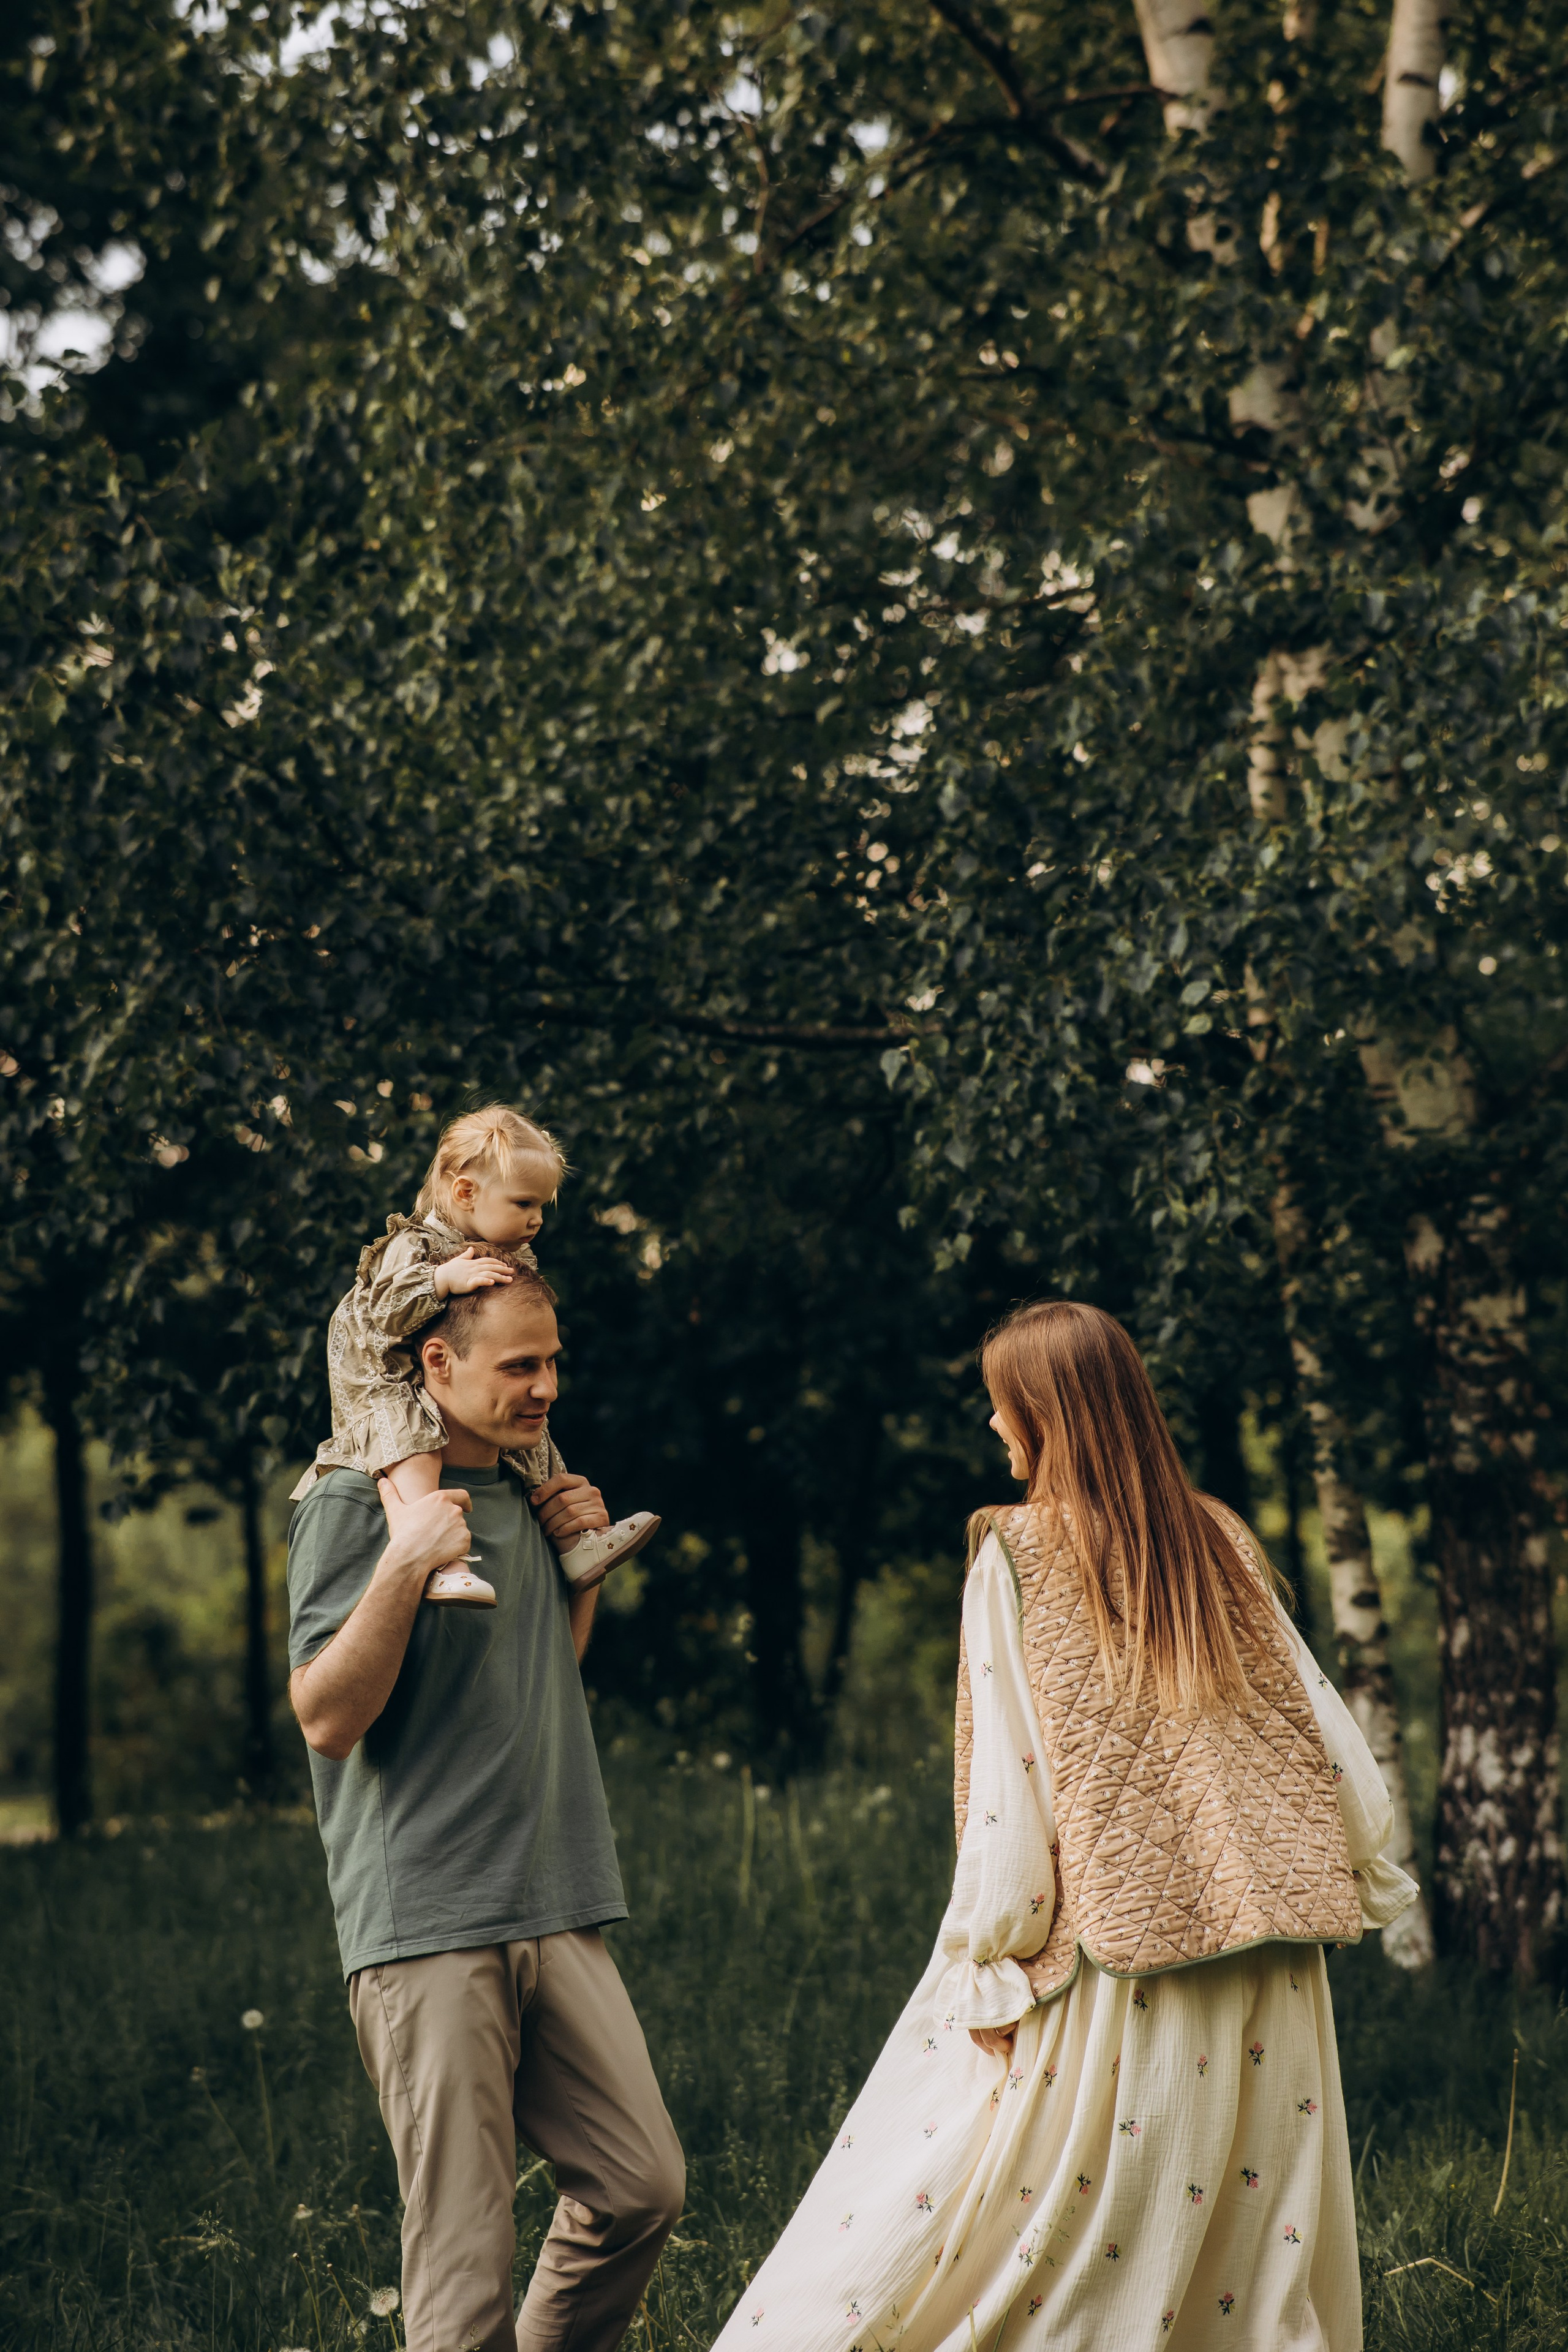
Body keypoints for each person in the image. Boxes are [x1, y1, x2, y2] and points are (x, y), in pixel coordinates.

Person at [713, 1299, 1416, 2352]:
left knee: (1050, 2213)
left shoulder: (1017, 1551)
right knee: (1256, 2238)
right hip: (1270, 1937)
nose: (993, 1429)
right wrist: (1359, 1856)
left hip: (1125, 1951)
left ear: (1044, 1413)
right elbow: (1320, 1724)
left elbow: (1011, 1777)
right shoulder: (1217, 1534)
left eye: (1001, 1407)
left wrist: (988, 1954)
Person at [287, 1260, 685, 2352]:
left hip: (555, 1899)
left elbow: (542, 1672)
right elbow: (325, 1716)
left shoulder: (530, 1498)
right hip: (426, 1918)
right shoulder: (350, 1498)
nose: (547, 1385)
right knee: (462, 2278)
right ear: (436, 1363)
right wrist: (405, 1565)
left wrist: (583, 1578)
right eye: (520, 1365)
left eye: (554, 1360)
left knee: (642, 2186)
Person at [290, 1102, 658, 1604]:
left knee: (533, 1434)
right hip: (381, 1374)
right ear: (466, 1192)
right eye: (525, 1204)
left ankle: (578, 1547)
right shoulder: (413, 1245)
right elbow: (383, 1313)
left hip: (425, 1370)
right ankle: (441, 1559)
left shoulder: (506, 1246)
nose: (536, 1220)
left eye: (542, 1208)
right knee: (412, 1437)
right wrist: (441, 1280)